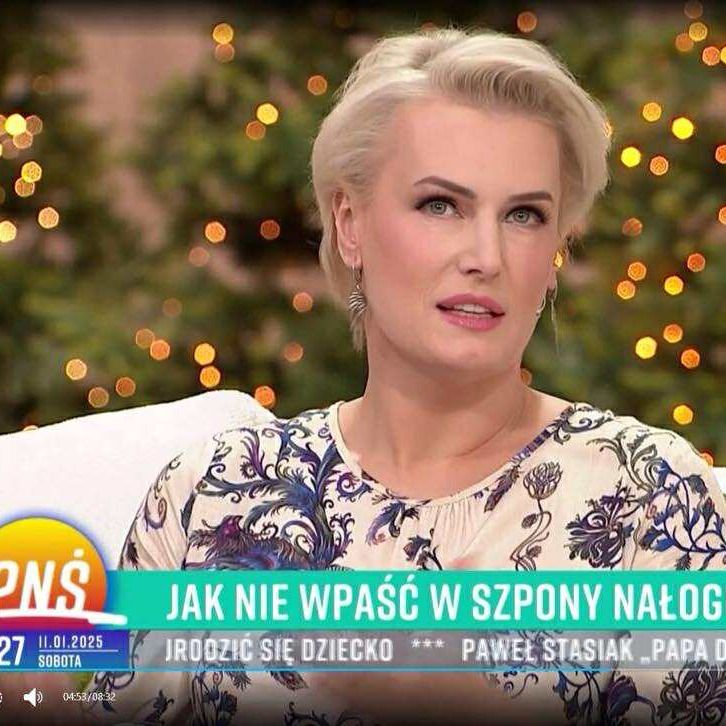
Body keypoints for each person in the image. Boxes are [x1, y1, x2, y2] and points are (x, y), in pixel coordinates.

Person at [42, 23, 725, 725]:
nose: (486, 256)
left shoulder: (652, 496)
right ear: (350, 225)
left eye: (524, 215)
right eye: (440, 205)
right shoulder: (214, 491)